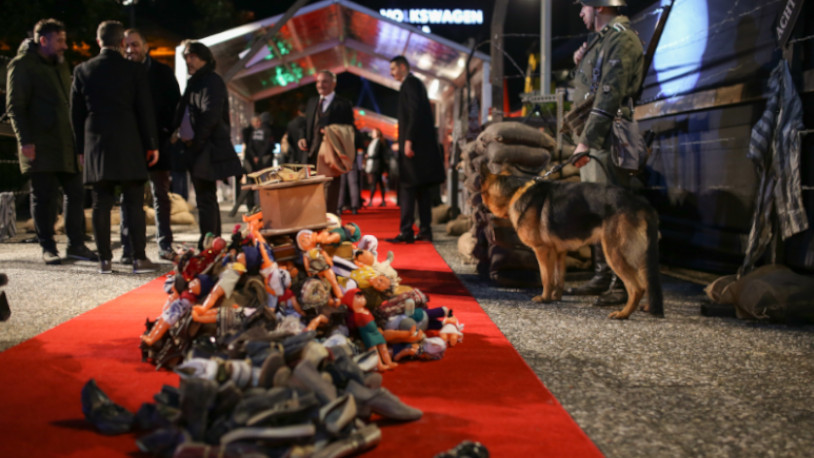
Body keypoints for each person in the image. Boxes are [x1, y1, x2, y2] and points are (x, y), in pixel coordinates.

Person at [564, 0, 644, 306]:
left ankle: (623, 283)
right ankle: (603, 275)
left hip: (608, 137)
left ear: (599, 6)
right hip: (596, 136)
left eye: (584, 5)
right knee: (598, 210)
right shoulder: (602, 40)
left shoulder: (620, 37)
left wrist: (587, 140)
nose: (580, 12)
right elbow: (593, 85)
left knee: (613, 212)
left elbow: (609, 93)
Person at [6, 18, 98, 265]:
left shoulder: (59, 65)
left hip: (66, 142)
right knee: (44, 197)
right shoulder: (22, 65)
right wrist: (25, 140)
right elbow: (15, 106)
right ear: (43, 40)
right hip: (39, 143)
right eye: (60, 40)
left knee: (76, 193)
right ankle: (48, 247)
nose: (64, 46)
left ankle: (76, 244)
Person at [71, 20, 158, 274]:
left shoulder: (82, 70)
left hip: (96, 144)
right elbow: (144, 110)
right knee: (133, 202)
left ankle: (104, 260)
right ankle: (139, 258)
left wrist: (80, 148)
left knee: (101, 203)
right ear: (122, 42)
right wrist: (151, 143)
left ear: (98, 41)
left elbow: (75, 114)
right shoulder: (134, 70)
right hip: (129, 141)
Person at [173, 40, 243, 250]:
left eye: (192, 55)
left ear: (204, 58)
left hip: (205, 148)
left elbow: (210, 116)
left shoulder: (211, 81)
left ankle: (210, 243)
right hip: (198, 147)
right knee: (206, 198)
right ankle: (212, 242)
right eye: (186, 56)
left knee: (206, 199)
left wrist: (195, 143)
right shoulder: (196, 81)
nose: (188, 60)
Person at [120, 28, 181, 264]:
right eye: (126, 45)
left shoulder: (162, 73)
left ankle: (164, 244)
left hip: (158, 145)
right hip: (130, 147)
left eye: (135, 45)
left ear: (145, 47)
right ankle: (130, 248)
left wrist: (164, 133)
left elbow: (175, 105)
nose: (130, 50)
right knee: (129, 198)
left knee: (161, 196)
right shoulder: (121, 73)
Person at [386, 55, 445, 243]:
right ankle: (425, 231)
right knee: (422, 190)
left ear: (403, 67)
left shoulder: (410, 84)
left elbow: (414, 112)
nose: (391, 73)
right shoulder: (415, 84)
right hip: (422, 149)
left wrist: (408, 140)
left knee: (407, 188)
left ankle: (406, 231)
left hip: (415, 148)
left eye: (393, 69)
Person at [297, 70, 354, 215]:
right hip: (311, 154)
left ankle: (330, 223)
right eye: (318, 82)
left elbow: (349, 129)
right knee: (312, 192)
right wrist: (302, 137)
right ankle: (313, 224)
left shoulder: (344, 104)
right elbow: (305, 124)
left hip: (330, 155)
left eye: (325, 82)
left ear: (333, 84)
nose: (320, 85)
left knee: (330, 192)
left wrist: (331, 131)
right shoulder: (311, 102)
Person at [242, 114, 274, 208]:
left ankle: (254, 205)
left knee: (254, 183)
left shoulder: (252, 132)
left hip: (254, 161)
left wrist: (255, 156)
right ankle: (260, 204)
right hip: (261, 161)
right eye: (258, 121)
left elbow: (250, 146)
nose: (259, 123)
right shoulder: (266, 131)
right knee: (262, 183)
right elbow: (268, 145)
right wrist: (259, 157)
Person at [364, 128, 389, 207]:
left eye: (373, 132)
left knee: (374, 183)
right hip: (376, 165)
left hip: (377, 166)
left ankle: (371, 201)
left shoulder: (379, 142)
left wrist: (369, 156)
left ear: (377, 133)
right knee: (380, 183)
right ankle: (382, 201)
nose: (372, 133)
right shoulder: (375, 142)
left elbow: (377, 154)